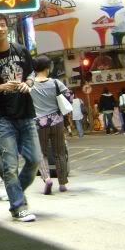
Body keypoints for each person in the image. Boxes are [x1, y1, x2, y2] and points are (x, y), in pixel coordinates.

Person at [0, 12, 42, 222]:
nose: (0, 29)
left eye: (2, 25)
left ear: (7, 27)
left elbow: (31, 74)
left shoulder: (21, 50)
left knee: (34, 160)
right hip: (3, 117)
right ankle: (18, 207)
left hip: (26, 113)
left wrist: (28, 84)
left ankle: (15, 192)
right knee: (10, 166)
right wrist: (2, 86)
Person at [31, 55, 71, 194]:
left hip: (39, 123)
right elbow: (69, 96)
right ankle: (62, 183)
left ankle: (47, 178)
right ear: (48, 68)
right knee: (59, 152)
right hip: (57, 121)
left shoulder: (31, 85)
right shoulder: (55, 83)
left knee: (41, 153)